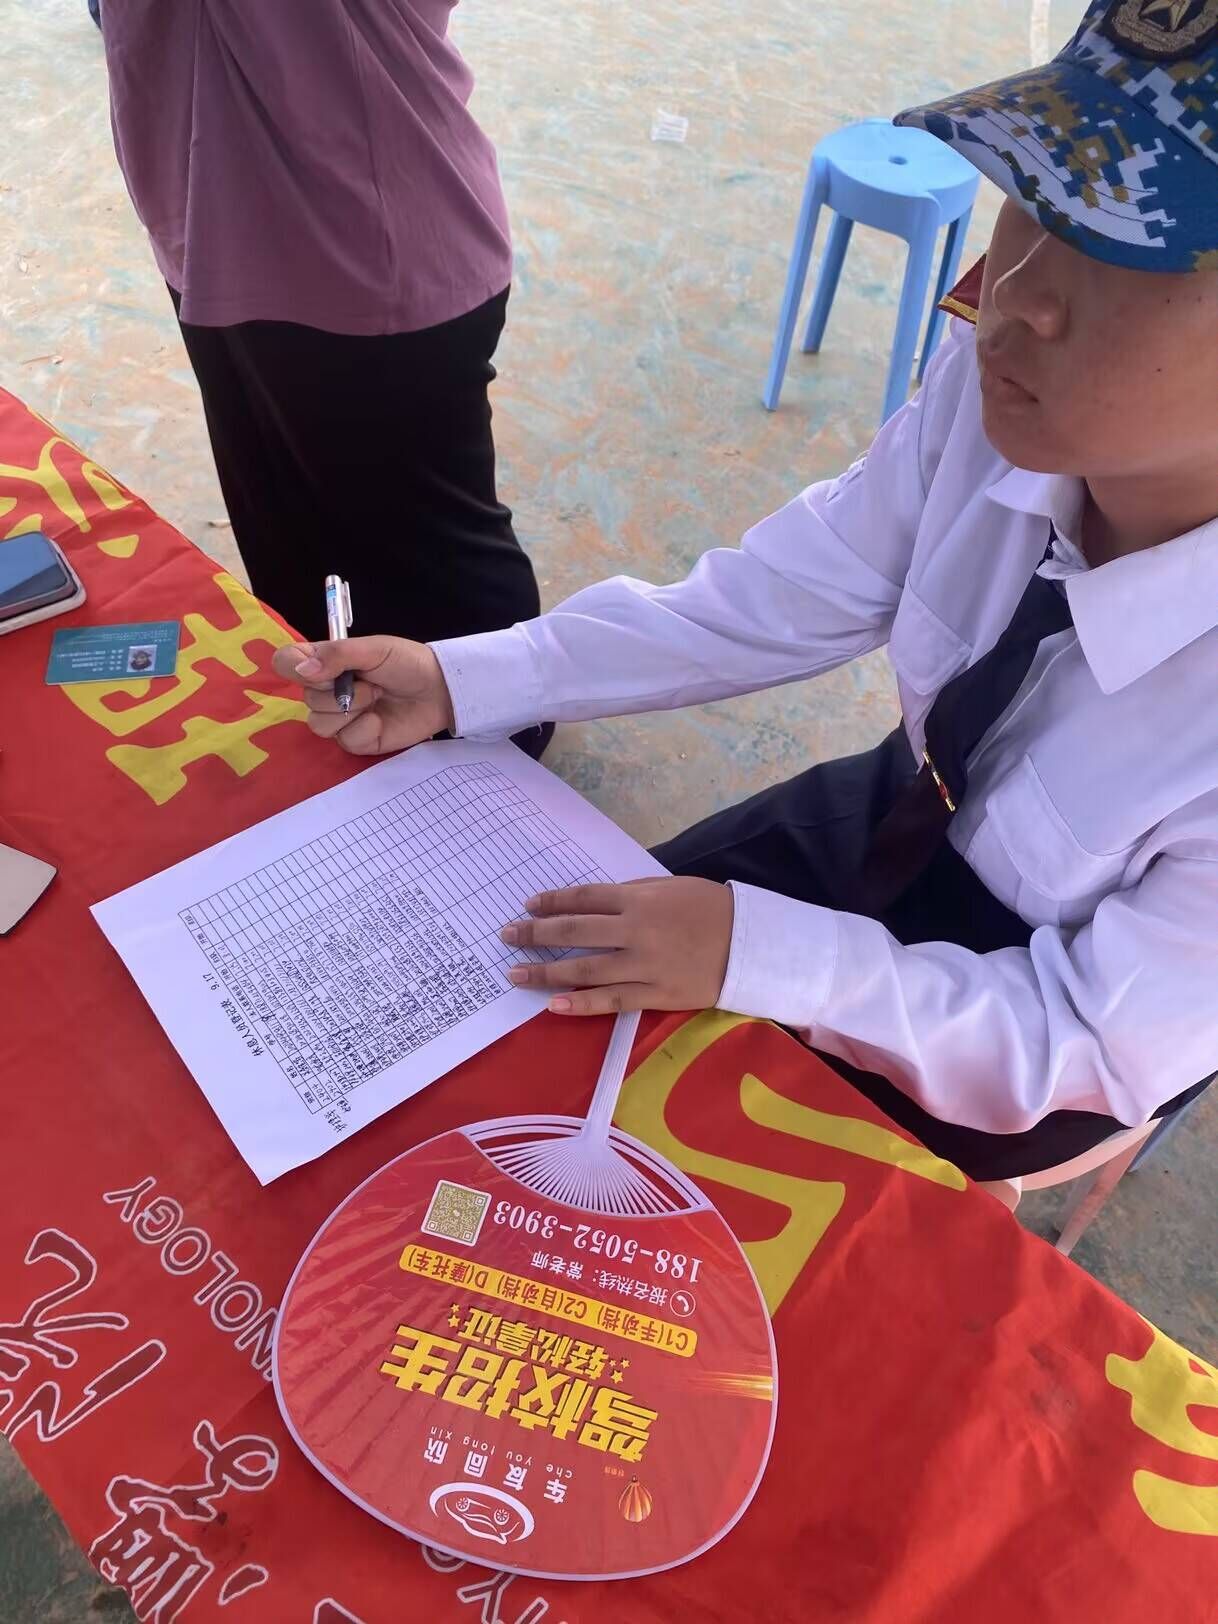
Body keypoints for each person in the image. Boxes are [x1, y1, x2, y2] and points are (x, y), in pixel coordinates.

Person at [272, 0, 1218, 1182]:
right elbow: (782, 591)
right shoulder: (1003, 400)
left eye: (1131, 246)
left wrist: (758, 954)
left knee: (748, 1243)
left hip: (1024, 1019)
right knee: (530, 1024)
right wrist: (473, 677)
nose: (1016, 293)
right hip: (897, 804)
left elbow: (1080, 1038)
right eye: (1036, 194)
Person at [97, 1, 549, 757]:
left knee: (424, 547)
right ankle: (358, 719)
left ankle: (500, 748)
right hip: (210, 218)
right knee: (287, 523)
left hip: (359, 239)